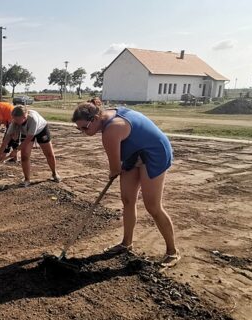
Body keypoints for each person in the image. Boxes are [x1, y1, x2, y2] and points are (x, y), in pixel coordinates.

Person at [71, 100, 180, 267]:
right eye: (79, 129)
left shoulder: (111, 130)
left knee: (152, 206)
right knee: (127, 200)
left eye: (85, 128)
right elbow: (117, 166)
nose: (84, 132)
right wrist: (116, 170)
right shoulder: (104, 119)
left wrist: (113, 172)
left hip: (154, 152)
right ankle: (126, 243)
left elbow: (115, 168)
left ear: (96, 118)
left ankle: (172, 252)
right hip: (133, 152)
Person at [0, 105, 61, 186]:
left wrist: (15, 150)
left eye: (17, 120)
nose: (15, 121)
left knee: (49, 154)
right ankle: (27, 179)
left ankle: (54, 173)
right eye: (14, 119)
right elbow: (6, 140)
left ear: (24, 117)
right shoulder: (14, 122)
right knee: (24, 157)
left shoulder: (33, 120)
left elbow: (29, 138)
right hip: (27, 133)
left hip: (41, 130)